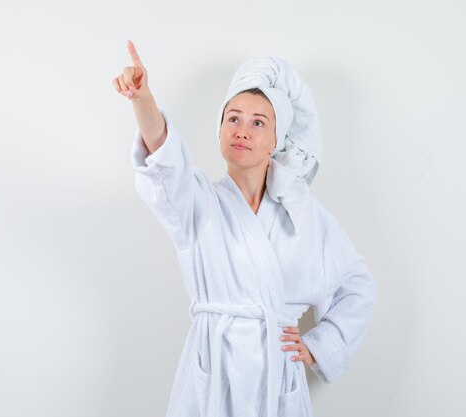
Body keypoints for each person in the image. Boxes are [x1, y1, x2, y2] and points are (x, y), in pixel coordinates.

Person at [113, 39, 376, 417]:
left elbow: (357, 284)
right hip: (211, 370)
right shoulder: (196, 201)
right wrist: (142, 99)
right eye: (232, 118)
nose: (242, 130)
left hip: (277, 378)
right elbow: (164, 157)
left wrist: (320, 345)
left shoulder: (307, 217)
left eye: (258, 123)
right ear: (220, 129)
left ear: (275, 140)